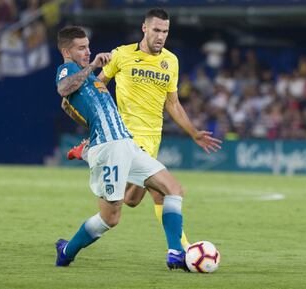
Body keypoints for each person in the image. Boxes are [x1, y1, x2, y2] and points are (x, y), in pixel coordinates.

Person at [64, 8, 222, 251]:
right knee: (164, 191)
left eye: (165, 31)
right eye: (157, 30)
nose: (161, 36)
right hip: (125, 136)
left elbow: (173, 103)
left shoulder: (171, 61)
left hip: (152, 138)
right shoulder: (122, 54)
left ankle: (87, 151)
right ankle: (182, 250)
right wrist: (91, 116)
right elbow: (96, 86)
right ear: (144, 28)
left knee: (132, 200)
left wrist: (193, 132)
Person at [55, 26, 189, 271]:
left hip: (126, 143)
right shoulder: (68, 69)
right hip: (110, 149)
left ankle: (175, 253)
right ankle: (66, 251)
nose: (88, 51)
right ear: (67, 51)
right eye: (81, 48)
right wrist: (93, 65)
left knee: (173, 189)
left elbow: (85, 109)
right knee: (111, 218)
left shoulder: (89, 80)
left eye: (88, 46)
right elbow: (63, 89)